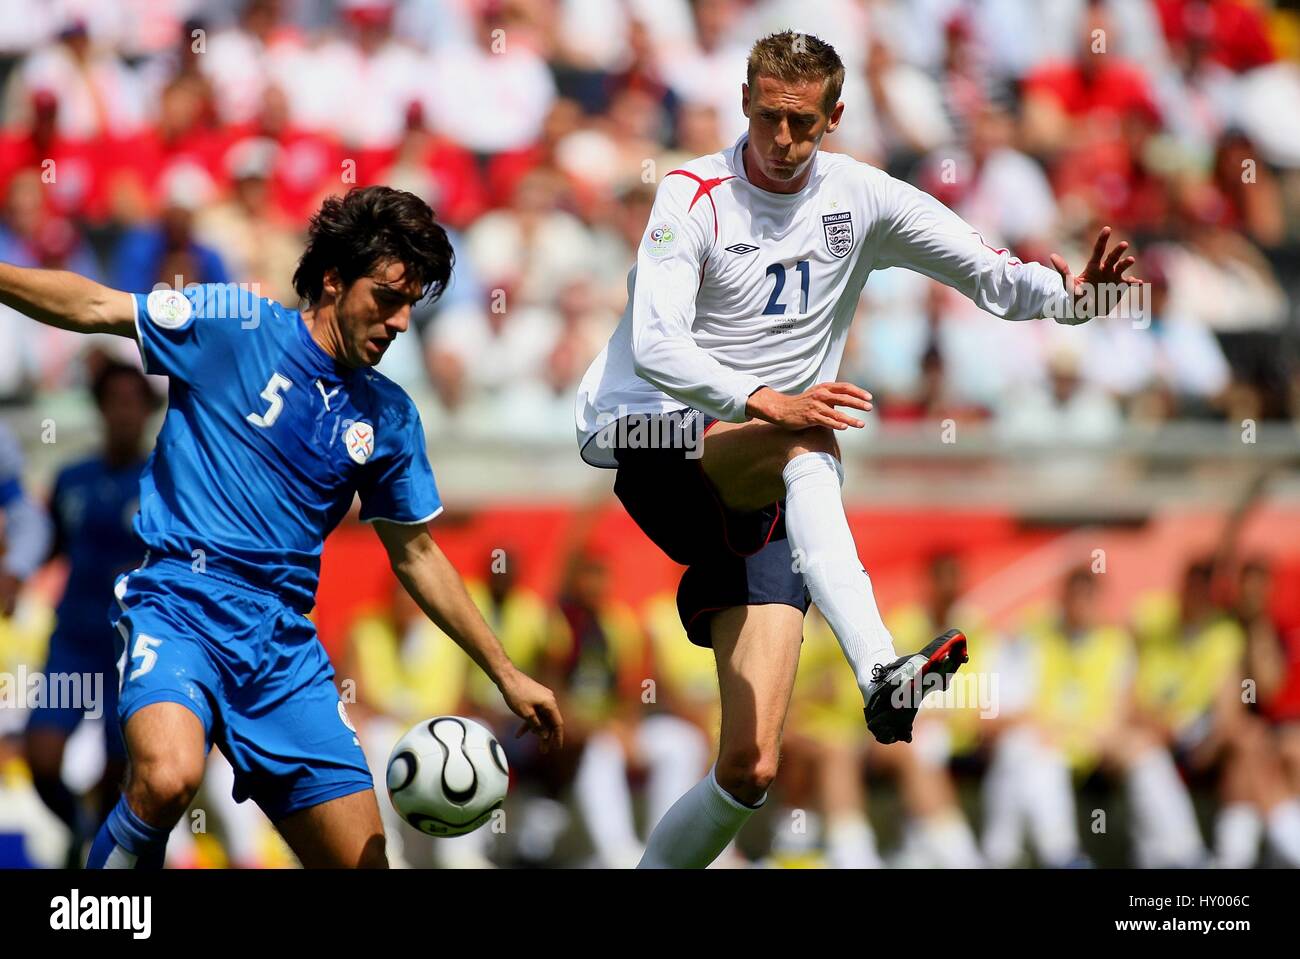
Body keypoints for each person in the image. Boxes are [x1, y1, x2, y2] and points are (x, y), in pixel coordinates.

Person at [574, 30, 1139, 869]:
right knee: (810, 433)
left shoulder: (864, 199)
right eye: (767, 117)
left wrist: (1074, 300)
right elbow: (657, 347)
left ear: (835, 117)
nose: (781, 141)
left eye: (802, 123)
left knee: (749, 766)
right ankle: (880, 671)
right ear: (743, 104)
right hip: (647, 433)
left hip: (763, 486)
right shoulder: (691, 195)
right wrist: (765, 400)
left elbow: (989, 273)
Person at [0, 185, 563, 868]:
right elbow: (94, 305)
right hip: (179, 606)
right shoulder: (232, 324)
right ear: (333, 279)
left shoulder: (388, 416)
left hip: (282, 651)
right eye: (388, 297)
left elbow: (416, 554)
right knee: (167, 777)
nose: (402, 322)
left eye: (413, 304)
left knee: (366, 864)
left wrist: (504, 672)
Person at [23, 361, 156, 864]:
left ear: (147, 410)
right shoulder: (70, 479)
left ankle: (93, 857)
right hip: (74, 639)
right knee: (40, 754)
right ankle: (78, 827)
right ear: (100, 409)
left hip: (132, 646)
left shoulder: (164, 482)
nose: (124, 413)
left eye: (134, 402)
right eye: (115, 402)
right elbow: (49, 547)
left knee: (118, 769)